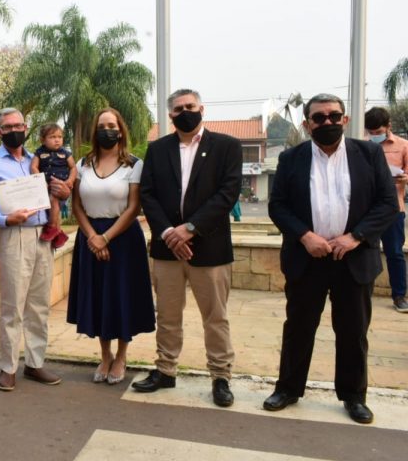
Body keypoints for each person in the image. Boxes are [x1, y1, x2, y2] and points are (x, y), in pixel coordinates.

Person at [263, 93, 397, 424]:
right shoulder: (291, 158)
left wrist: (355, 237)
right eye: (319, 117)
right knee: (298, 328)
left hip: (354, 258)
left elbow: (386, 203)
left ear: (345, 120)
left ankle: (354, 396)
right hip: (307, 258)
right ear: (307, 124)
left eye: (334, 116)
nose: (328, 122)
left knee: (353, 331)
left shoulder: (368, 154)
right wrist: (305, 236)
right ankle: (288, 388)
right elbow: (277, 205)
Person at [135, 88, 242, 408]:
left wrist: (190, 229)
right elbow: (148, 194)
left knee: (215, 317)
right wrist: (169, 232)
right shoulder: (158, 149)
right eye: (179, 109)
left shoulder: (226, 146)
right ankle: (165, 370)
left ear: (202, 108)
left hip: (209, 249)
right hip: (167, 247)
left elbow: (227, 194)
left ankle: (220, 376)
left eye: (190, 106)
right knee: (168, 315)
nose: (185, 112)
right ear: (170, 115)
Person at [0, 107, 71, 392]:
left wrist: (65, 192)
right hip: (13, 234)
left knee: (39, 305)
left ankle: (35, 362)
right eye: (8, 127)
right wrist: (5, 219)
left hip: (43, 235)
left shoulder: (37, 159)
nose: (15, 130)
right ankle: (8, 367)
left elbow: (59, 191)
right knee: (13, 306)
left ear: (26, 128)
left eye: (19, 125)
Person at [67, 108, 155, 384]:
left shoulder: (134, 164)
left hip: (123, 238)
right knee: (98, 297)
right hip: (89, 236)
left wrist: (105, 238)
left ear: (120, 130)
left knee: (121, 297)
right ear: (95, 131)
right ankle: (105, 356)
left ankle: (122, 356)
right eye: (102, 126)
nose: (107, 130)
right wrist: (93, 237)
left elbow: (134, 207)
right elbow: (76, 205)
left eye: (112, 125)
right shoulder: (83, 163)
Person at [364, 107, 408, 313]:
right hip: (367, 209)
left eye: (378, 132)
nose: (375, 136)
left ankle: (399, 296)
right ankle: (362, 292)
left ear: (388, 126)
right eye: (371, 132)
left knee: (395, 253)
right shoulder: (363, 146)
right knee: (363, 252)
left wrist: (403, 178)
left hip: (393, 209)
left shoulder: (403, 145)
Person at [30, 123, 76, 248]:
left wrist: (70, 180)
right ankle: (59, 234)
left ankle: (51, 227)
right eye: (52, 137)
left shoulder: (65, 153)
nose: (57, 140)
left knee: (53, 201)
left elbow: (73, 168)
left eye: (59, 137)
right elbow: (33, 167)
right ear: (43, 140)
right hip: (47, 185)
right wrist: (40, 180)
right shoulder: (39, 152)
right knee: (52, 208)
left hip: (61, 186)